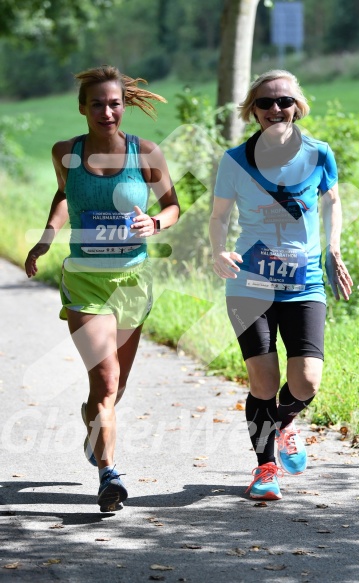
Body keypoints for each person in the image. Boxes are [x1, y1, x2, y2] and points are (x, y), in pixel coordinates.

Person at [25, 66, 179, 512]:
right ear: (83, 108)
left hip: (132, 281)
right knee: (106, 380)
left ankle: (94, 423)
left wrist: (154, 222)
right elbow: (63, 194)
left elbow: (172, 206)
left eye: (114, 103)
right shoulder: (66, 153)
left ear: (124, 105)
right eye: (97, 103)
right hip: (85, 281)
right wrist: (47, 236)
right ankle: (109, 475)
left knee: (113, 389)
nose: (106, 111)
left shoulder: (145, 153)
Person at [209, 69, 353, 501]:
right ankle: (265, 468)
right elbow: (218, 218)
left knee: (306, 382)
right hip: (249, 283)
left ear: (298, 106)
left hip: (304, 281)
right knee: (263, 383)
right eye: (266, 103)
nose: (276, 109)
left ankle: (285, 422)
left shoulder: (319, 153)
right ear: (253, 110)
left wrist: (333, 248)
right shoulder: (235, 160)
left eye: (284, 101)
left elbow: (333, 203)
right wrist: (218, 250)